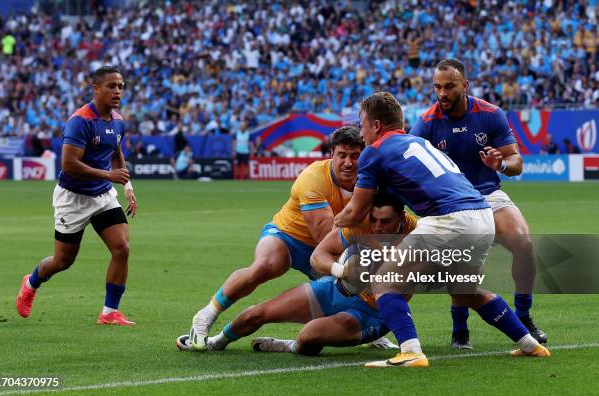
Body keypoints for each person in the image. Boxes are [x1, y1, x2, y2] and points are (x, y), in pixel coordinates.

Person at [334, 92, 550, 368]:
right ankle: (528, 343)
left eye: (362, 125)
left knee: (385, 281)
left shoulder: (374, 152)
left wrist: (333, 225)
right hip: (483, 216)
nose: (361, 133)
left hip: (451, 219)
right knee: (465, 290)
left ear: (376, 125)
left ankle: (410, 352)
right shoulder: (419, 142)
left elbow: (355, 211)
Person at [409, 58, 547, 348]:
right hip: (450, 203)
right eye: (437, 87)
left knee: (523, 243)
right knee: (460, 268)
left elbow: (516, 163)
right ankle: (460, 329)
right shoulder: (425, 123)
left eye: (449, 86)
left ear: (465, 85)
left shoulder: (490, 113)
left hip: (488, 193)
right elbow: (407, 163)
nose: (442, 93)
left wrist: (501, 164)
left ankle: (523, 317)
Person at [188, 125, 364, 350]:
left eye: (355, 156)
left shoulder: (367, 181)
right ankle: (205, 316)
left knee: (355, 289)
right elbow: (324, 234)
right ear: (332, 154)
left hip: (326, 247)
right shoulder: (313, 178)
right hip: (288, 237)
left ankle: (369, 330)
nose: (348, 162)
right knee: (265, 266)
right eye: (342, 155)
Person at [176, 196, 412, 354]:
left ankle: (287, 346)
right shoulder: (360, 222)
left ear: (401, 219)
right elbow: (318, 256)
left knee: (309, 337)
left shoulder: (420, 235)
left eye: (386, 222)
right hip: (336, 289)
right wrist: (341, 271)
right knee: (258, 314)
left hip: (373, 313)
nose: (378, 227)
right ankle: (217, 342)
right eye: (375, 221)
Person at [15, 66, 138, 326]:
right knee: (63, 261)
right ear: (96, 89)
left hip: (102, 195)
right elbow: (69, 165)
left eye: (121, 86)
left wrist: (127, 188)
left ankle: (109, 313)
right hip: (73, 198)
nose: (118, 91)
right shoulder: (80, 121)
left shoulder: (117, 120)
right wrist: (108, 176)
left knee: (122, 248)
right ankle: (31, 282)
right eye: (111, 86)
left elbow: (116, 153)